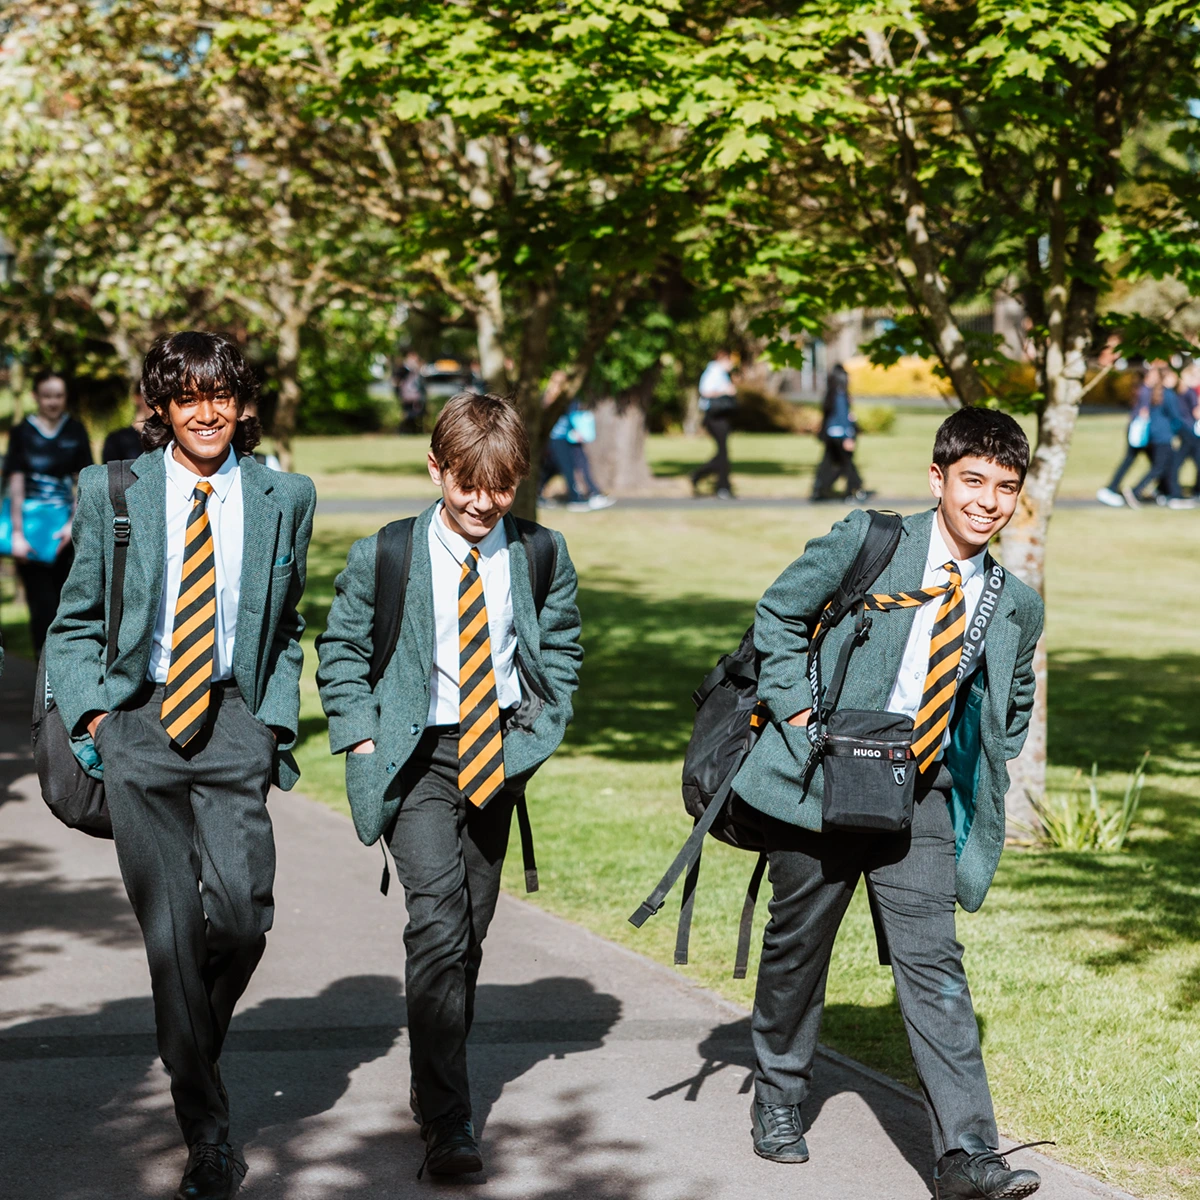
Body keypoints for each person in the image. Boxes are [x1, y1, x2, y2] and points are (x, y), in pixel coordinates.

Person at [733, 407, 1046, 1199]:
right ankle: (777, 1095)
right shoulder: (872, 541)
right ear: (938, 478)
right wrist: (799, 713)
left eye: (1005, 488)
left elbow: (1010, 702)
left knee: (936, 968)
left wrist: (996, 727)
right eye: (973, 481)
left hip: (923, 796)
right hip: (825, 782)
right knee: (799, 948)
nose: (988, 502)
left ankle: (967, 1155)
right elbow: (778, 613)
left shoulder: (1014, 601)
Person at [45, 331, 316, 1200]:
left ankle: (185, 1039)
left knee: (241, 917)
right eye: (187, 396)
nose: (207, 412)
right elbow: (75, 618)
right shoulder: (112, 489)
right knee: (170, 935)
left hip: (236, 720)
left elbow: (289, 620)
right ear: (159, 408)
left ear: (243, 403)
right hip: (139, 722)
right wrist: (94, 714)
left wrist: (273, 722)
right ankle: (207, 1130)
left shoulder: (286, 495)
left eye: (222, 394)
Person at [316, 392, 582, 1178]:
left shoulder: (539, 552)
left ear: (519, 481)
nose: (480, 503)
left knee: (467, 935)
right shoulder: (386, 553)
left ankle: (431, 1078)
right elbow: (339, 648)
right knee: (436, 924)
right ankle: (449, 1120)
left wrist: (535, 731)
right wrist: (362, 736)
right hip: (417, 754)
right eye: (466, 484)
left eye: (498, 488)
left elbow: (558, 650)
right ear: (437, 469)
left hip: (497, 756)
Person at [3, 369, 93, 653]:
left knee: (68, 610)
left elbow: (85, 481)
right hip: (30, 536)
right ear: (35, 397)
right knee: (40, 611)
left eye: (58, 395)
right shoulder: (22, 433)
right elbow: (15, 484)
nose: (53, 402)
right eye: (47, 396)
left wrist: (72, 526)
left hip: (67, 535)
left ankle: (67, 678)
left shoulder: (76, 430)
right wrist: (17, 534)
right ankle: (44, 686)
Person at [1129, 369, 1189, 507]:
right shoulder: (1168, 395)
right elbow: (1176, 417)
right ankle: (1136, 491)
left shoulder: (1156, 393)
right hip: (1164, 435)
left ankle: (1168, 493)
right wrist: (1185, 431)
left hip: (1156, 434)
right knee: (1159, 467)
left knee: (1168, 465)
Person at [812, 363, 869, 502]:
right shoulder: (840, 394)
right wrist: (848, 436)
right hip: (840, 435)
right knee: (847, 464)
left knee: (829, 463)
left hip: (831, 435)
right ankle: (854, 490)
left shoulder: (830, 393)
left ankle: (820, 488)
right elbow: (843, 417)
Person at [1097, 367, 1154, 507]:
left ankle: (1160, 488)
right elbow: (1144, 412)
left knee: (1152, 461)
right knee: (1131, 459)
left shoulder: (1139, 388)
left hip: (1134, 428)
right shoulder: (1146, 391)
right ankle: (1111, 488)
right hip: (1139, 431)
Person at [691, 349, 737, 499]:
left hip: (721, 417)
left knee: (723, 453)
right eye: (729, 360)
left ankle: (706, 478)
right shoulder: (714, 371)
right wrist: (725, 391)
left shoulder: (721, 373)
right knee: (723, 454)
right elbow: (705, 391)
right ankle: (721, 486)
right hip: (714, 417)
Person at [102, 381, 154, 464]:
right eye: (150, 395)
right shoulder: (116, 441)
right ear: (136, 398)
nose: (155, 401)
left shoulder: (169, 439)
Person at [395, 350, 427, 434]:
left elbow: (422, 385)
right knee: (407, 415)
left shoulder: (418, 371)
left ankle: (416, 431)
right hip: (406, 397)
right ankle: (403, 431)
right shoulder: (403, 370)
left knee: (418, 416)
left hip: (416, 397)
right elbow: (397, 383)